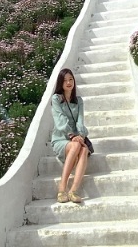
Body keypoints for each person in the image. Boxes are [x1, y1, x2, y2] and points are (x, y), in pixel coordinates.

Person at [50, 68, 89, 203]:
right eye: (65, 80)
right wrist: (72, 136)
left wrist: (81, 136)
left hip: (76, 139)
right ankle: (62, 188)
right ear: (60, 83)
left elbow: (80, 121)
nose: (68, 82)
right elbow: (59, 120)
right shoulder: (56, 99)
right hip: (61, 139)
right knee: (76, 146)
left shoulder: (78, 101)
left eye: (71, 79)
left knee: (83, 149)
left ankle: (73, 191)